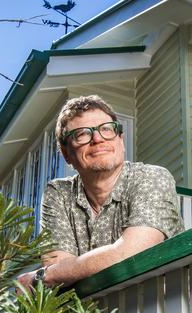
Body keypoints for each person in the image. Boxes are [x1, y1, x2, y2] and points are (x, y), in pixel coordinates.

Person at [16, 95, 183, 288]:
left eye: (106, 129)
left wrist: (44, 276)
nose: (97, 139)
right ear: (66, 153)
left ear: (120, 139)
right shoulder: (58, 194)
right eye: (82, 134)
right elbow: (58, 269)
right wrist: (58, 272)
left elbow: (134, 252)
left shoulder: (152, 177)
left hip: (164, 306)